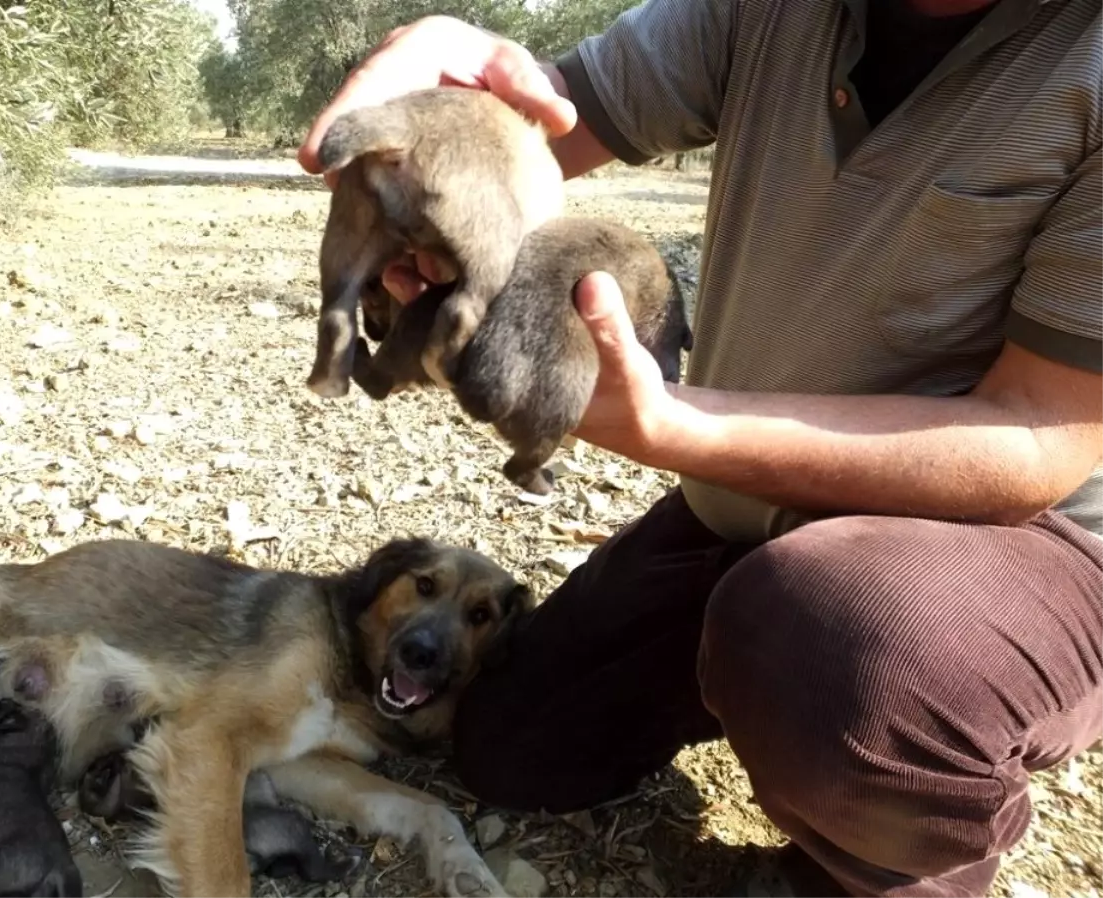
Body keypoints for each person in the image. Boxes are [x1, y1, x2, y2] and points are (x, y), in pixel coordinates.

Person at [300, 2, 1103, 896]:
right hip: (740, 508)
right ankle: (760, 673)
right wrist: (455, 103)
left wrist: (677, 426)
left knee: (854, 652)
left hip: (1020, 543)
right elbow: (545, 129)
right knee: (514, 744)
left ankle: (906, 843)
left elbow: (1038, 437)